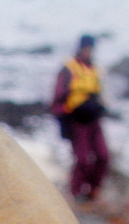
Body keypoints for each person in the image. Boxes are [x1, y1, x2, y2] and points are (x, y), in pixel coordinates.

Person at [52, 34, 109, 201]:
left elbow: (100, 93)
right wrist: (63, 119)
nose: (88, 51)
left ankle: (93, 192)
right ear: (80, 48)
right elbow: (58, 96)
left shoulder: (95, 69)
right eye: (86, 48)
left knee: (103, 156)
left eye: (91, 48)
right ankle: (75, 193)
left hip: (94, 118)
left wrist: (102, 108)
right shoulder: (69, 68)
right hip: (77, 120)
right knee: (82, 159)